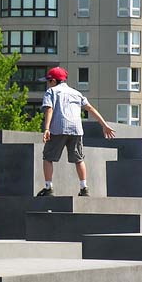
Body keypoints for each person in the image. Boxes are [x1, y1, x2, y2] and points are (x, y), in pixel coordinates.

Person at [36, 67, 115, 197]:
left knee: (48, 157)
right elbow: (90, 108)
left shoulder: (51, 92)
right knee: (79, 159)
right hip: (76, 129)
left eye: (48, 81)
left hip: (58, 128)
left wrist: (46, 129)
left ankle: (48, 187)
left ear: (54, 81)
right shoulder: (76, 93)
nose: (48, 84)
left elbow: (49, 109)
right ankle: (84, 188)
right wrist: (104, 125)